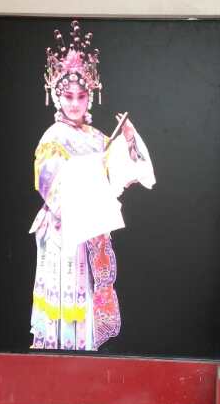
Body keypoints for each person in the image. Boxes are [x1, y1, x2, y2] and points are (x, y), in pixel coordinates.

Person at [29, 21, 155, 351]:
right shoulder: (53, 137)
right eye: (68, 96)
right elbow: (48, 181)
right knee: (66, 296)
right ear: (57, 96)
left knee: (88, 295)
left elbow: (120, 173)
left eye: (81, 96)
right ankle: (60, 354)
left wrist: (128, 140)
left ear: (90, 98)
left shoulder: (96, 137)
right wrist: (90, 175)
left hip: (93, 228)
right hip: (65, 231)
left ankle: (85, 352)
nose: (75, 103)